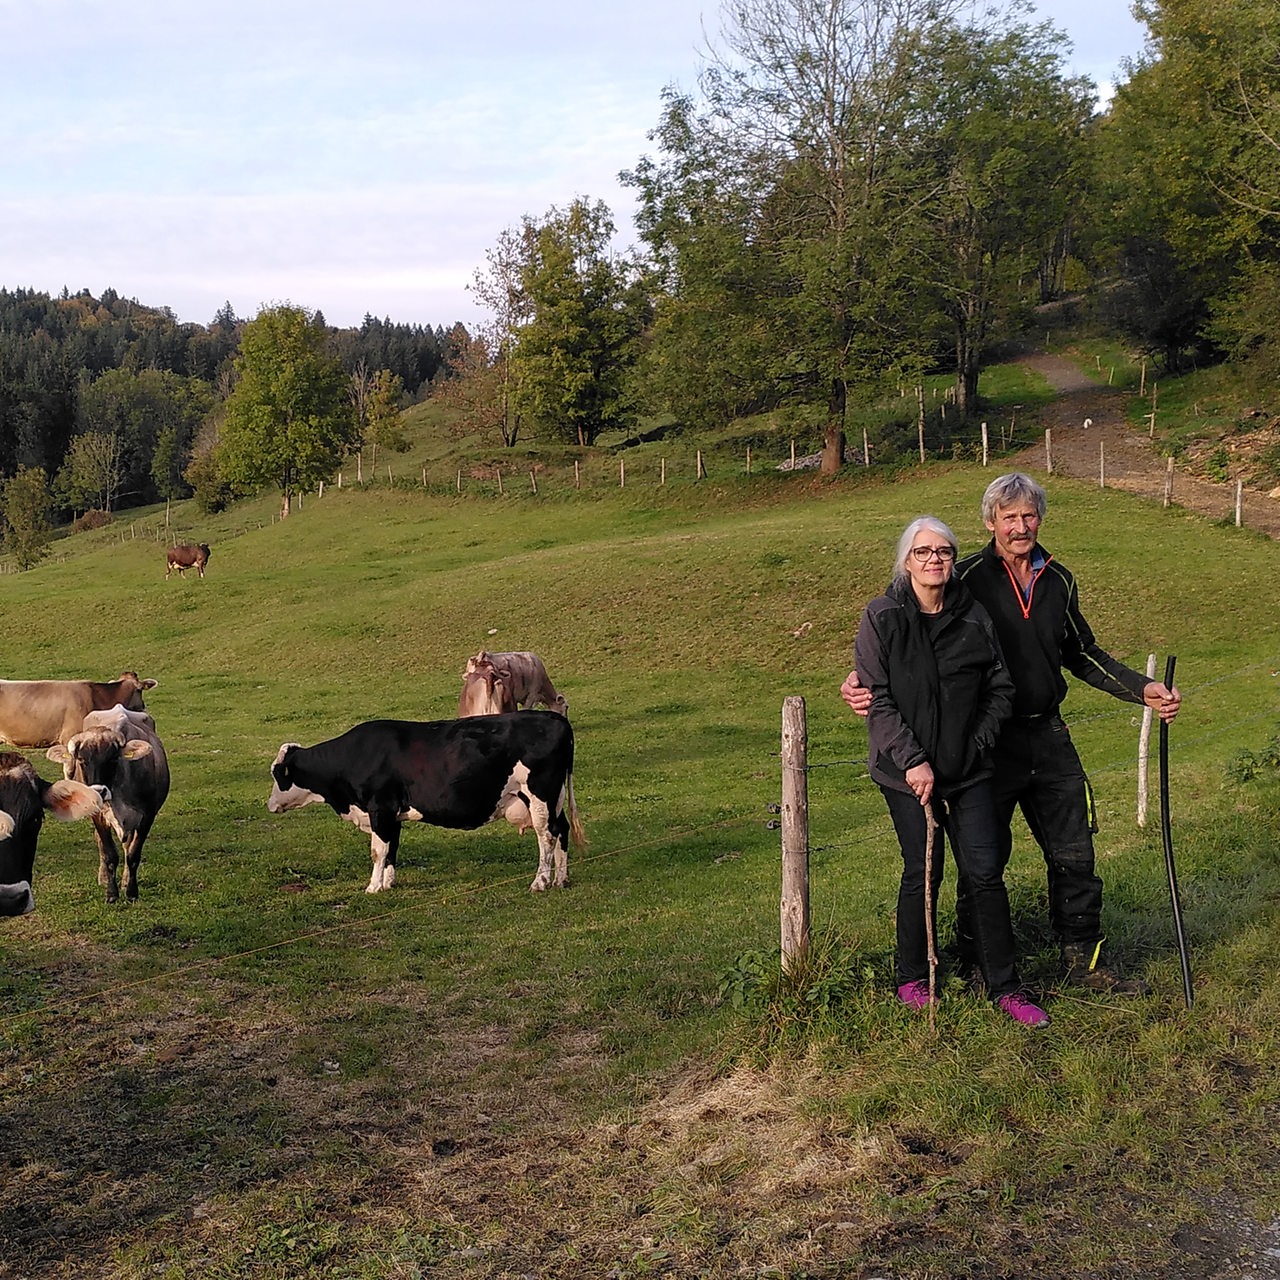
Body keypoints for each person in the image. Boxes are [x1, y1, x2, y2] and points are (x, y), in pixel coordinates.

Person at [843, 473, 1182, 993]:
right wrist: (860, 681)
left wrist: (1142, 688)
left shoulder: (1059, 580)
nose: (1020, 526)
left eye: (1029, 515)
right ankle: (978, 960)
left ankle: (1084, 960)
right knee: (983, 860)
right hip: (985, 742)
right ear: (990, 523)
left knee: (1075, 851)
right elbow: (911, 630)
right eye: (1009, 517)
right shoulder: (968, 578)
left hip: (1048, 734)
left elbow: (1082, 652)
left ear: (1040, 519)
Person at [855, 514, 1049, 1027]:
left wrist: (976, 744)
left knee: (985, 872)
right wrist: (913, 761)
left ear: (953, 559)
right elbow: (877, 698)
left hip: (969, 773)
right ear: (906, 561)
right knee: (924, 869)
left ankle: (1004, 984)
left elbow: (1000, 688)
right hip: (904, 774)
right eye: (923, 552)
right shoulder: (883, 616)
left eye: (942, 551)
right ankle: (913, 976)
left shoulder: (973, 616)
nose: (934, 559)